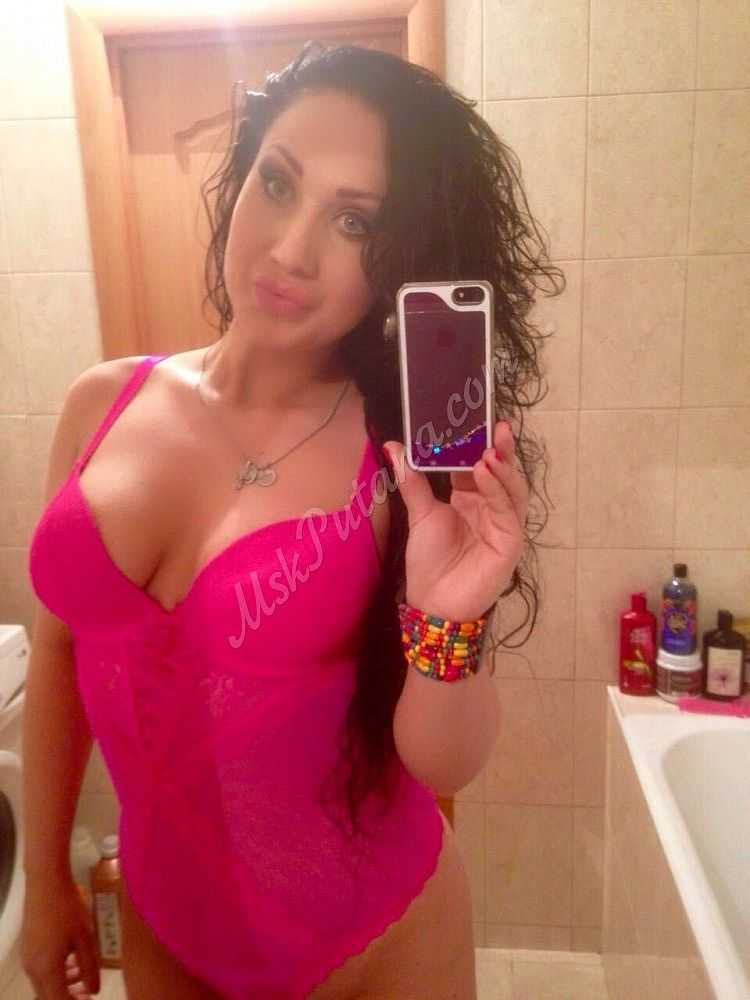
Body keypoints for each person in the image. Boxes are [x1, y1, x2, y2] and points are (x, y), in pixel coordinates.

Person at [21, 40, 562, 1000]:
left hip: (376, 948)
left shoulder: (400, 463)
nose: (290, 250)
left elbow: (446, 760)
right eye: (278, 183)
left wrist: (451, 618)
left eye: (355, 221)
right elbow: (59, 648)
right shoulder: (98, 405)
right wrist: (44, 879)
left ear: (398, 260)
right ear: (239, 181)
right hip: (166, 934)